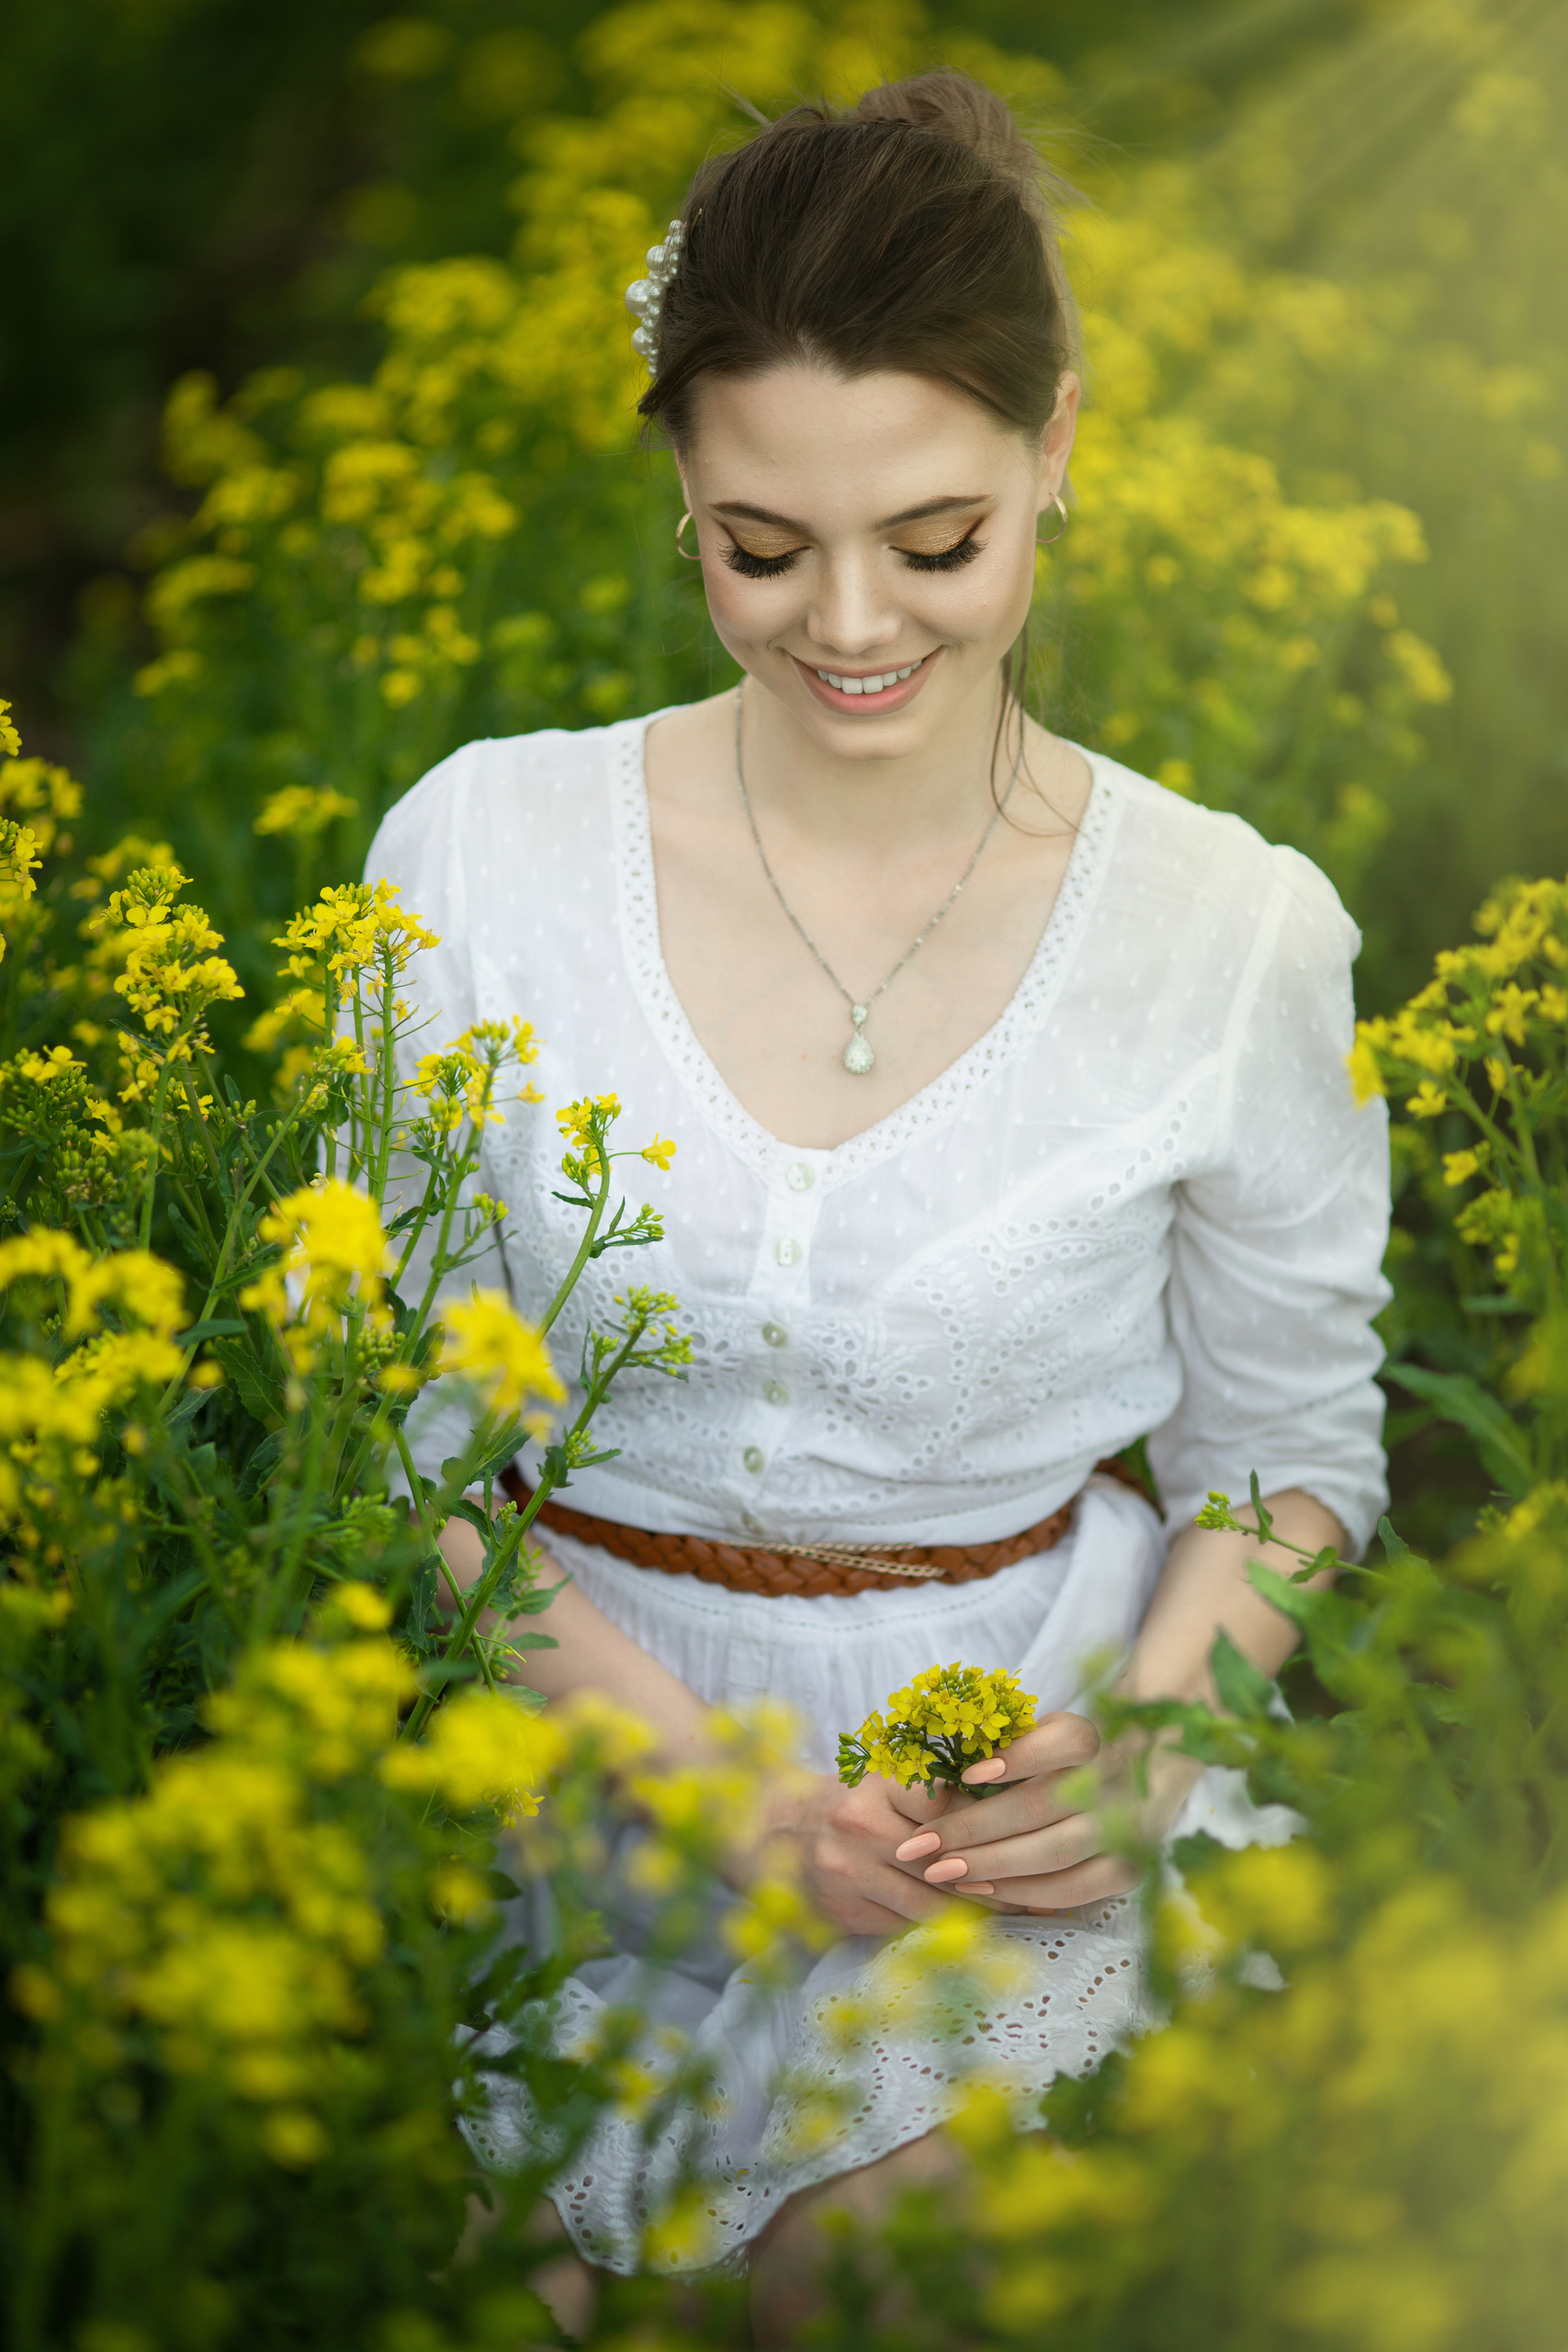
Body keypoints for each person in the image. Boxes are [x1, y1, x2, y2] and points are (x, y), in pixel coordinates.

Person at [370, 70, 1390, 2337]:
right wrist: (715, 1807)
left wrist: (1137, 1755)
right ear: (680, 488)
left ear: (1053, 454)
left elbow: (1286, 1459)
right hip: (561, 1745)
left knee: (860, 2273)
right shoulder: (478, 853)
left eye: (935, 540)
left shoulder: (1231, 932)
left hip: (1020, 1793)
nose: (848, 625)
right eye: (759, 543)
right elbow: (402, 1449)